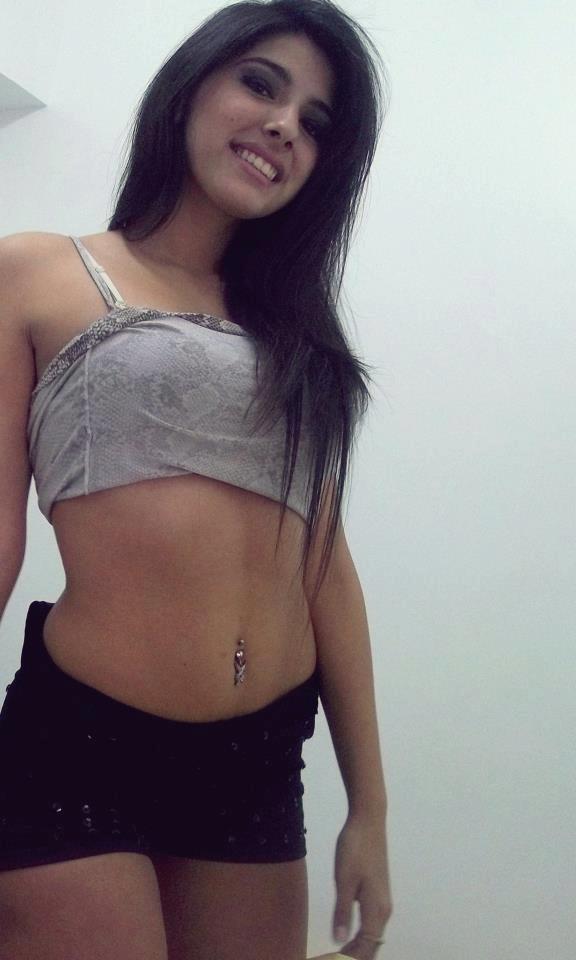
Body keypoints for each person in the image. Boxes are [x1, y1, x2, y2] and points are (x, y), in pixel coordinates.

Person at [0, 1, 393, 957]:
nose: (283, 126)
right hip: (82, 746)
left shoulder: (296, 338)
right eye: (261, 84)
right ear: (190, 88)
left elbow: (326, 568)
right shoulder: (39, 270)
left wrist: (370, 810)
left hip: (257, 762)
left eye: (315, 123)